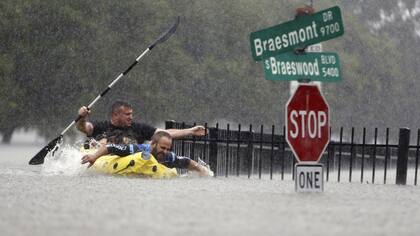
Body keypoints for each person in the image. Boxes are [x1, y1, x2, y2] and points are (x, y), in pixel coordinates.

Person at [81, 131, 213, 177]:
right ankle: (94, 145)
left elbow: (185, 161)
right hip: (114, 160)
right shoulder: (137, 149)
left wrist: (201, 170)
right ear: (153, 144)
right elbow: (111, 147)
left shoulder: (167, 156)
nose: (165, 151)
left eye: (168, 148)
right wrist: (94, 157)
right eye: (162, 147)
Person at [76, 101, 206, 144]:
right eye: (127, 114)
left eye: (131, 114)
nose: (131, 117)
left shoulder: (139, 128)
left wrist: (191, 131)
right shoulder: (100, 126)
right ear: (115, 115)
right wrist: (81, 117)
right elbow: (82, 127)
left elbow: (165, 133)